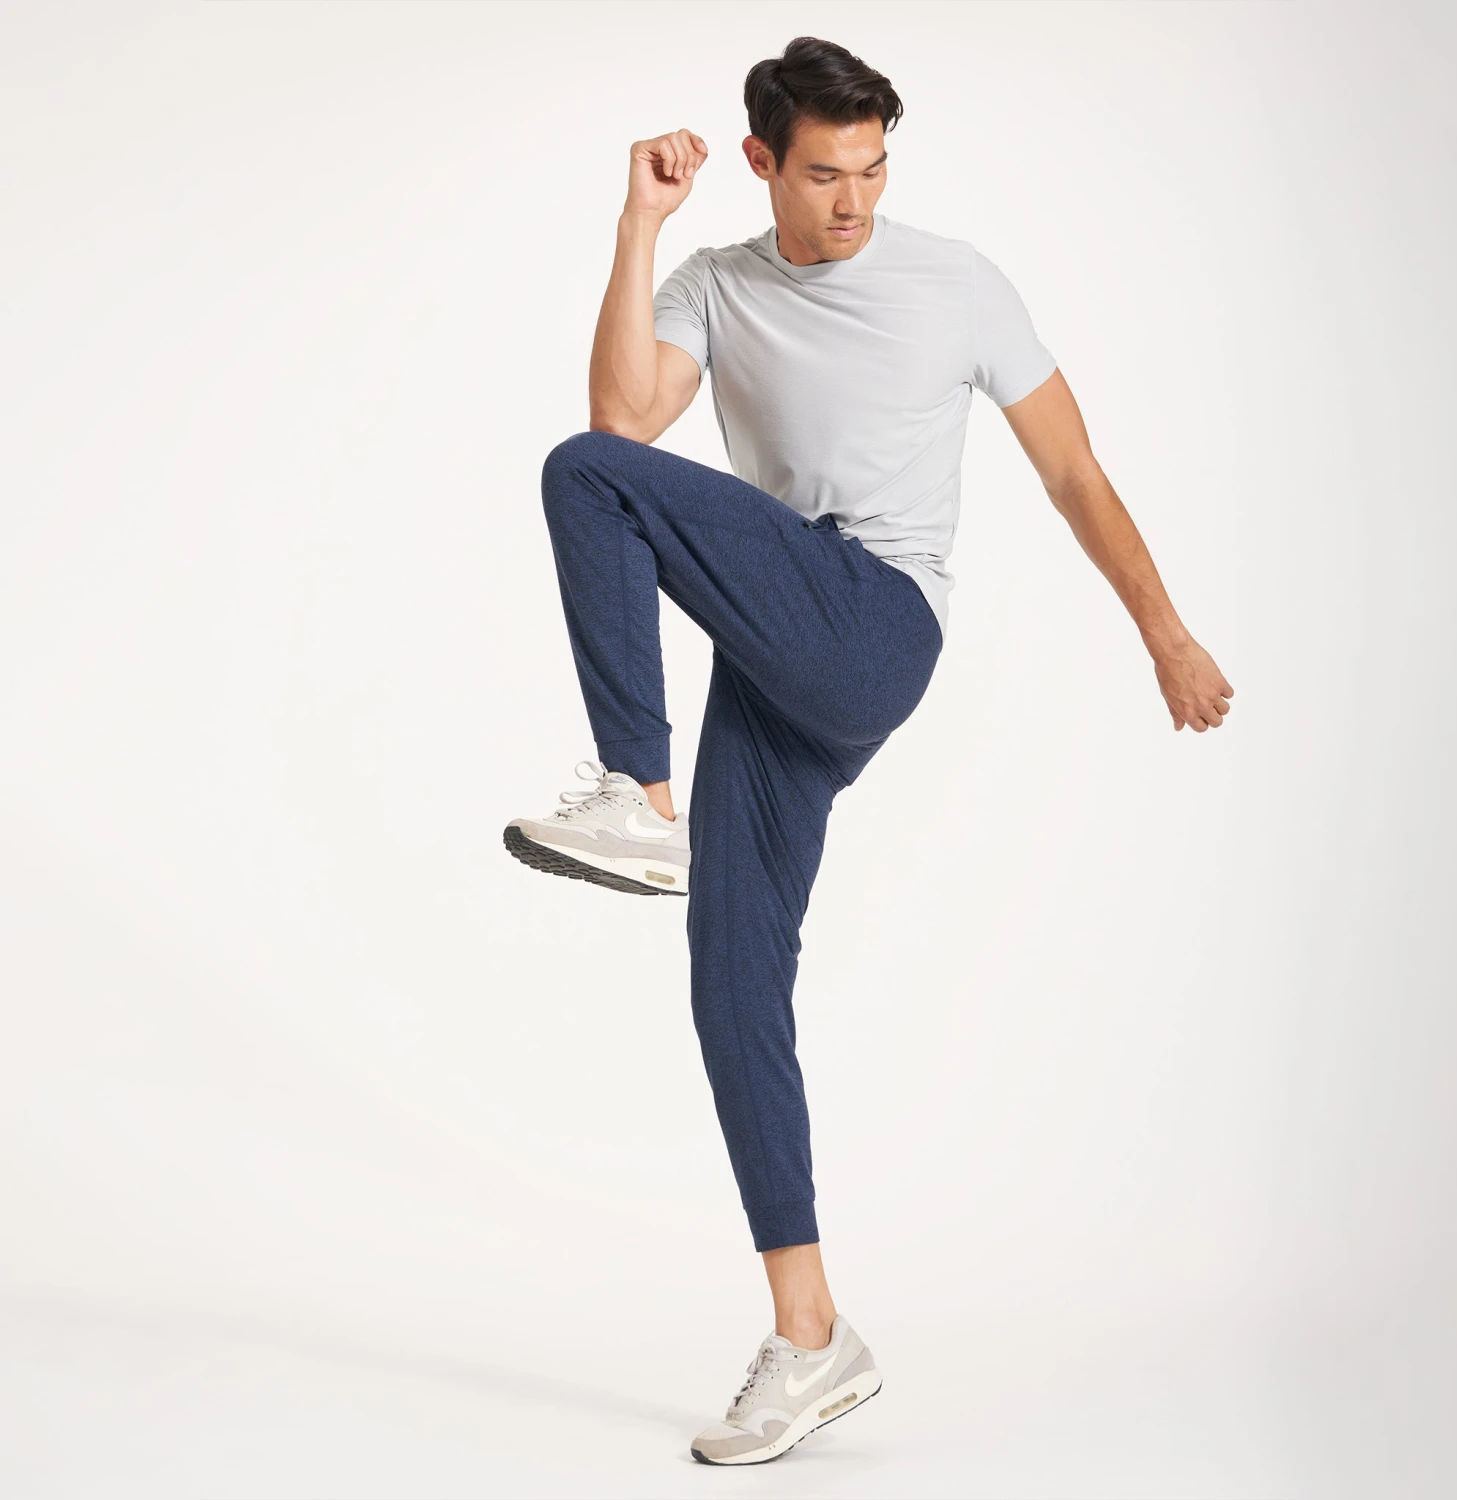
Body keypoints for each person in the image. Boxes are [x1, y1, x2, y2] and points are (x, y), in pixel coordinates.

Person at [505, 35, 1235, 1466]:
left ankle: (637, 794)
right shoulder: (717, 283)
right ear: (763, 163)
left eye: (874, 169)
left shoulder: (956, 283)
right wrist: (640, 223)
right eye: (825, 174)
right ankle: (811, 1334)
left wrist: (1166, 634)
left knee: (584, 480)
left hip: (877, 621)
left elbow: (1072, 470)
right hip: (777, 652)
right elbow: (625, 419)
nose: (854, 201)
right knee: (732, 980)